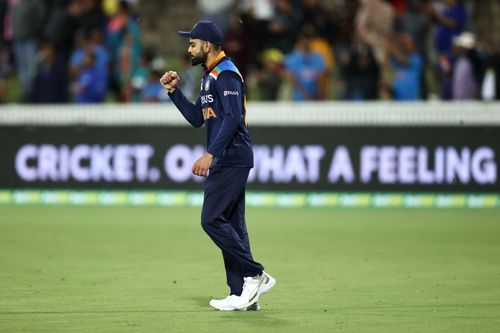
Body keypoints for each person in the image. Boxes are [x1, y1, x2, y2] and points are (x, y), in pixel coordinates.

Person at [160, 20, 275, 312]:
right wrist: (174, 93)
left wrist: (211, 154)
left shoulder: (226, 75)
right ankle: (242, 294)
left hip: (231, 158)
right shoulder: (210, 76)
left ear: (207, 45)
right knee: (233, 225)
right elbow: (199, 117)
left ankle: (255, 274)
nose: (189, 48)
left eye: (193, 43)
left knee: (211, 219)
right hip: (228, 158)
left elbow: (233, 119)